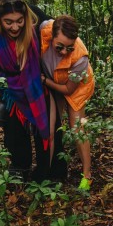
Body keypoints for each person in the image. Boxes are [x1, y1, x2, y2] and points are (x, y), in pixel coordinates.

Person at [0, 0, 66, 182]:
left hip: (40, 86)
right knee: (15, 135)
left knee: (49, 131)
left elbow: (60, 33)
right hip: (11, 93)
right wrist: (12, 78)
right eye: (8, 22)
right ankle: (20, 172)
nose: (15, 27)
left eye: (19, 21)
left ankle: (50, 173)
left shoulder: (35, 16)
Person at [39, 15, 95, 191]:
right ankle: (52, 169)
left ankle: (87, 175)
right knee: (54, 124)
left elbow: (69, 89)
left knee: (77, 127)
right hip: (52, 81)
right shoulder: (43, 30)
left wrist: (45, 81)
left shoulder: (80, 58)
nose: (64, 52)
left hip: (76, 87)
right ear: (52, 36)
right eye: (60, 46)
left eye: (69, 48)